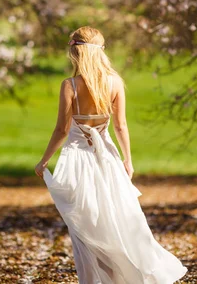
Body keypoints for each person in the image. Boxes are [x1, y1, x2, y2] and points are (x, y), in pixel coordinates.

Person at [34, 26, 188, 283]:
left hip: (78, 162)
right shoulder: (115, 83)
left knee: (85, 223)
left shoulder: (70, 85)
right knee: (117, 217)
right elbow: (120, 126)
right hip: (107, 159)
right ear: (101, 52)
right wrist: (128, 160)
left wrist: (44, 160)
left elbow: (62, 129)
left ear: (76, 53)